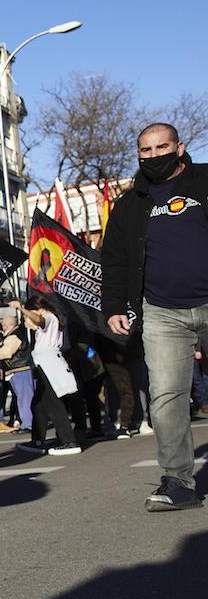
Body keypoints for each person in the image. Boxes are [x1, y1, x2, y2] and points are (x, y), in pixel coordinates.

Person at [103, 122, 208, 510]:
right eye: (145, 151)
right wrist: (113, 306)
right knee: (165, 396)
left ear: (179, 148)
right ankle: (179, 483)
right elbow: (113, 260)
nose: (153, 156)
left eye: (161, 148)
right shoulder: (130, 204)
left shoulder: (205, 180)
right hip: (162, 313)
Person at [11, 297, 82, 456]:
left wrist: (21, 308)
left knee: (53, 404)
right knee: (38, 404)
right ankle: (38, 439)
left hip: (48, 363)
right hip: (45, 362)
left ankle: (68, 440)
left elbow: (40, 319)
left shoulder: (48, 317)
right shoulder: (53, 319)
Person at [0, 310, 33, 432]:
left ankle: (28, 424)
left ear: (6, 325)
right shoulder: (15, 335)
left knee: (24, 398)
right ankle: (26, 423)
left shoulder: (14, 336)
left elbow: (6, 353)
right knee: (22, 398)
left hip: (20, 370)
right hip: (17, 370)